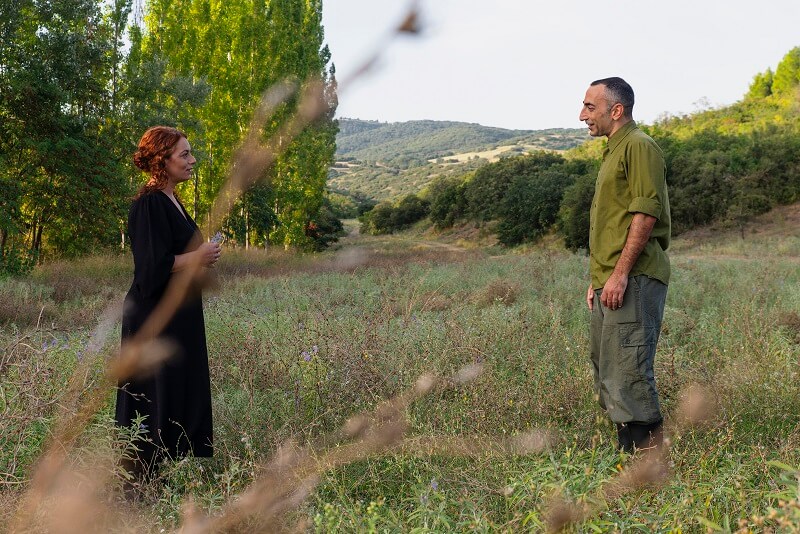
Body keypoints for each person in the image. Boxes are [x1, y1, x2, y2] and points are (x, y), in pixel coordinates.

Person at [115, 126, 221, 482]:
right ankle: (139, 480)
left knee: (175, 388)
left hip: (177, 315)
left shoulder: (172, 199)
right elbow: (150, 269)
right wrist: (197, 257)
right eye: (185, 154)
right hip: (154, 317)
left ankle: (162, 473)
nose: (193, 160)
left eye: (191, 153)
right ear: (162, 160)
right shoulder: (149, 203)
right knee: (152, 394)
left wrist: (201, 257)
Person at [579, 77, 671, 453]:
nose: (582, 115)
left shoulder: (639, 146)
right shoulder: (614, 149)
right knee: (608, 371)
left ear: (616, 111)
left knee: (629, 371)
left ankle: (650, 468)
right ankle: (628, 461)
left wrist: (618, 274)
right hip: (612, 280)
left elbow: (645, 215)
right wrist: (598, 278)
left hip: (632, 278)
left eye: (589, 107)